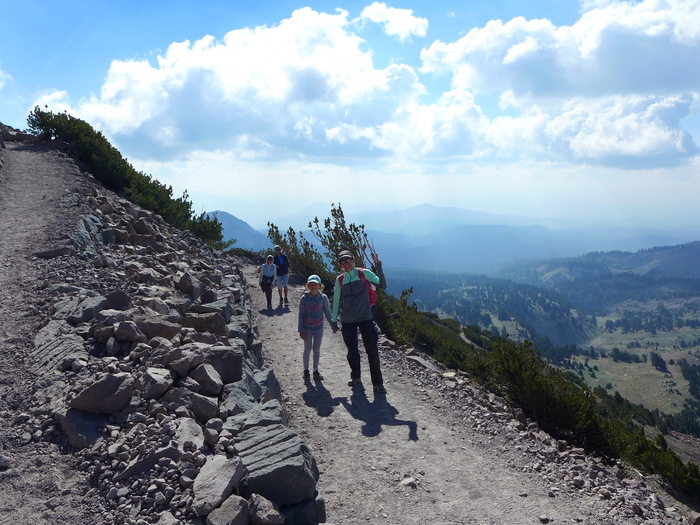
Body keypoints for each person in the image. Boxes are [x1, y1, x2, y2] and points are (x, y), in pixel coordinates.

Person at [331, 249, 388, 394]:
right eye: (342, 261)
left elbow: (382, 285)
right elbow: (337, 300)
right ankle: (355, 377)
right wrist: (333, 320)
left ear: (353, 260)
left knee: (372, 351)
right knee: (352, 350)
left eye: (348, 260)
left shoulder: (364, 273)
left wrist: (378, 266)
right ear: (340, 264)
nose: (346, 263)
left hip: (365, 317)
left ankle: (378, 383)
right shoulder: (340, 280)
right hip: (348, 319)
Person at [298, 274, 337, 382]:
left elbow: (328, 313)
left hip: (318, 327)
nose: (313, 286)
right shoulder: (304, 298)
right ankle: (306, 371)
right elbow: (301, 315)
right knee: (307, 349)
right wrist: (301, 330)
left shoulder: (323, 298)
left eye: (315, 284)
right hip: (307, 328)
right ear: (308, 286)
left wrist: (333, 325)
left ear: (320, 286)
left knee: (316, 349)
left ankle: (315, 370)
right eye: (311, 284)